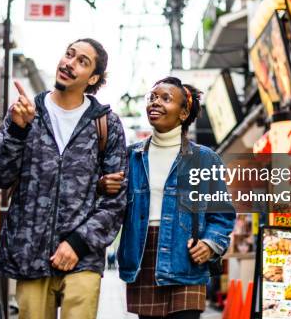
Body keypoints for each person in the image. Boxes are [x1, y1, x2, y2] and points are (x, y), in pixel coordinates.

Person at [0, 38, 127, 319]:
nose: (69, 63)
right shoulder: (27, 113)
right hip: (30, 253)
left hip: (83, 256)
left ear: (94, 78)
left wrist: (77, 243)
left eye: (82, 62)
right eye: (69, 54)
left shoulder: (105, 124)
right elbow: (0, 176)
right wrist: (18, 131)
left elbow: (116, 199)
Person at [100, 77, 236, 319]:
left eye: (165, 98)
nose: (155, 103)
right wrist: (102, 186)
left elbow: (222, 215)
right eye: (152, 97)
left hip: (186, 258)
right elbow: (111, 206)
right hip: (143, 256)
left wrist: (210, 243)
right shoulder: (130, 157)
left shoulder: (205, 159)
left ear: (183, 113)